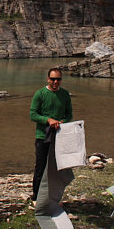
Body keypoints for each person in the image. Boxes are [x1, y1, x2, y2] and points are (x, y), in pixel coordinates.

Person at [29, 67, 73, 201]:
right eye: (53, 79)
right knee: (40, 168)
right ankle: (36, 198)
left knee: (57, 169)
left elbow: (69, 114)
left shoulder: (65, 95)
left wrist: (62, 121)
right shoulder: (40, 94)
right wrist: (48, 120)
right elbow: (33, 115)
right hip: (42, 136)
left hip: (59, 137)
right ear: (48, 79)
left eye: (58, 79)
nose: (55, 82)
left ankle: (54, 197)